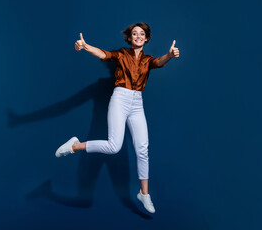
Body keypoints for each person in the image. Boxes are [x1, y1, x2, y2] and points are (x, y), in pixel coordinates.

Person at [55, 22, 180, 214]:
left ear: (146, 39)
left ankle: (144, 194)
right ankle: (75, 145)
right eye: (134, 33)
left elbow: (158, 62)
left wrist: (170, 56)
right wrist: (85, 46)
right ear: (130, 38)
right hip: (120, 99)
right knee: (114, 146)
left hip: (137, 103)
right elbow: (104, 54)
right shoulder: (122, 54)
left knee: (142, 149)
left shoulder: (148, 60)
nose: (138, 36)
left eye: (142, 34)